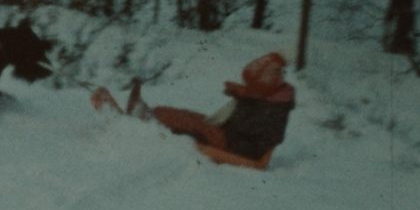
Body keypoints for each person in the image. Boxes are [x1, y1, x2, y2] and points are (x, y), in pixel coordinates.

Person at [90, 52, 295, 169]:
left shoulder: (273, 109)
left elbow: (255, 134)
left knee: (187, 124)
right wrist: (244, 95)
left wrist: (245, 99)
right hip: (229, 134)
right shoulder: (273, 97)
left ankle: (135, 123)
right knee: (179, 114)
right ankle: (144, 115)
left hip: (235, 145)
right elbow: (253, 109)